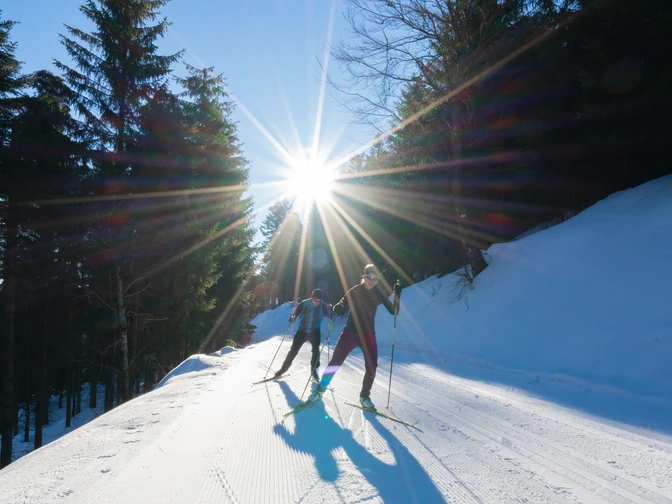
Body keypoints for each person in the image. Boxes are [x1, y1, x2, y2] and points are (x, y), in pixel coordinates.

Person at [307, 264, 401, 410]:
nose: (371, 281)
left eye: (375, 279)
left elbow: (394, 312)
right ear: (364, 277)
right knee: (335, 363)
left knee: (372, 367)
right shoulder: (355, 290)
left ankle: (364, 397)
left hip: (368, 335)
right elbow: (340, 303)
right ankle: (319, 391)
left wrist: (397, 296)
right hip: (350, 333)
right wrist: (337, 307)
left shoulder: (379, 293)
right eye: (369, 277)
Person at [273, 289, 331, 381]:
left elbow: (330, 315)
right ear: (312, 297)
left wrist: (333, 312)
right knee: (293, 351)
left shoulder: (322, 306)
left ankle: (314, 373)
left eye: (319, 301)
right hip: (302, 331)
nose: (316, 303)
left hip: (315, 332)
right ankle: (283, 370)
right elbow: (294, 314)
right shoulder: (304, 304)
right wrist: (292, 318)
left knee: (316, 352)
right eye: (315, 300)